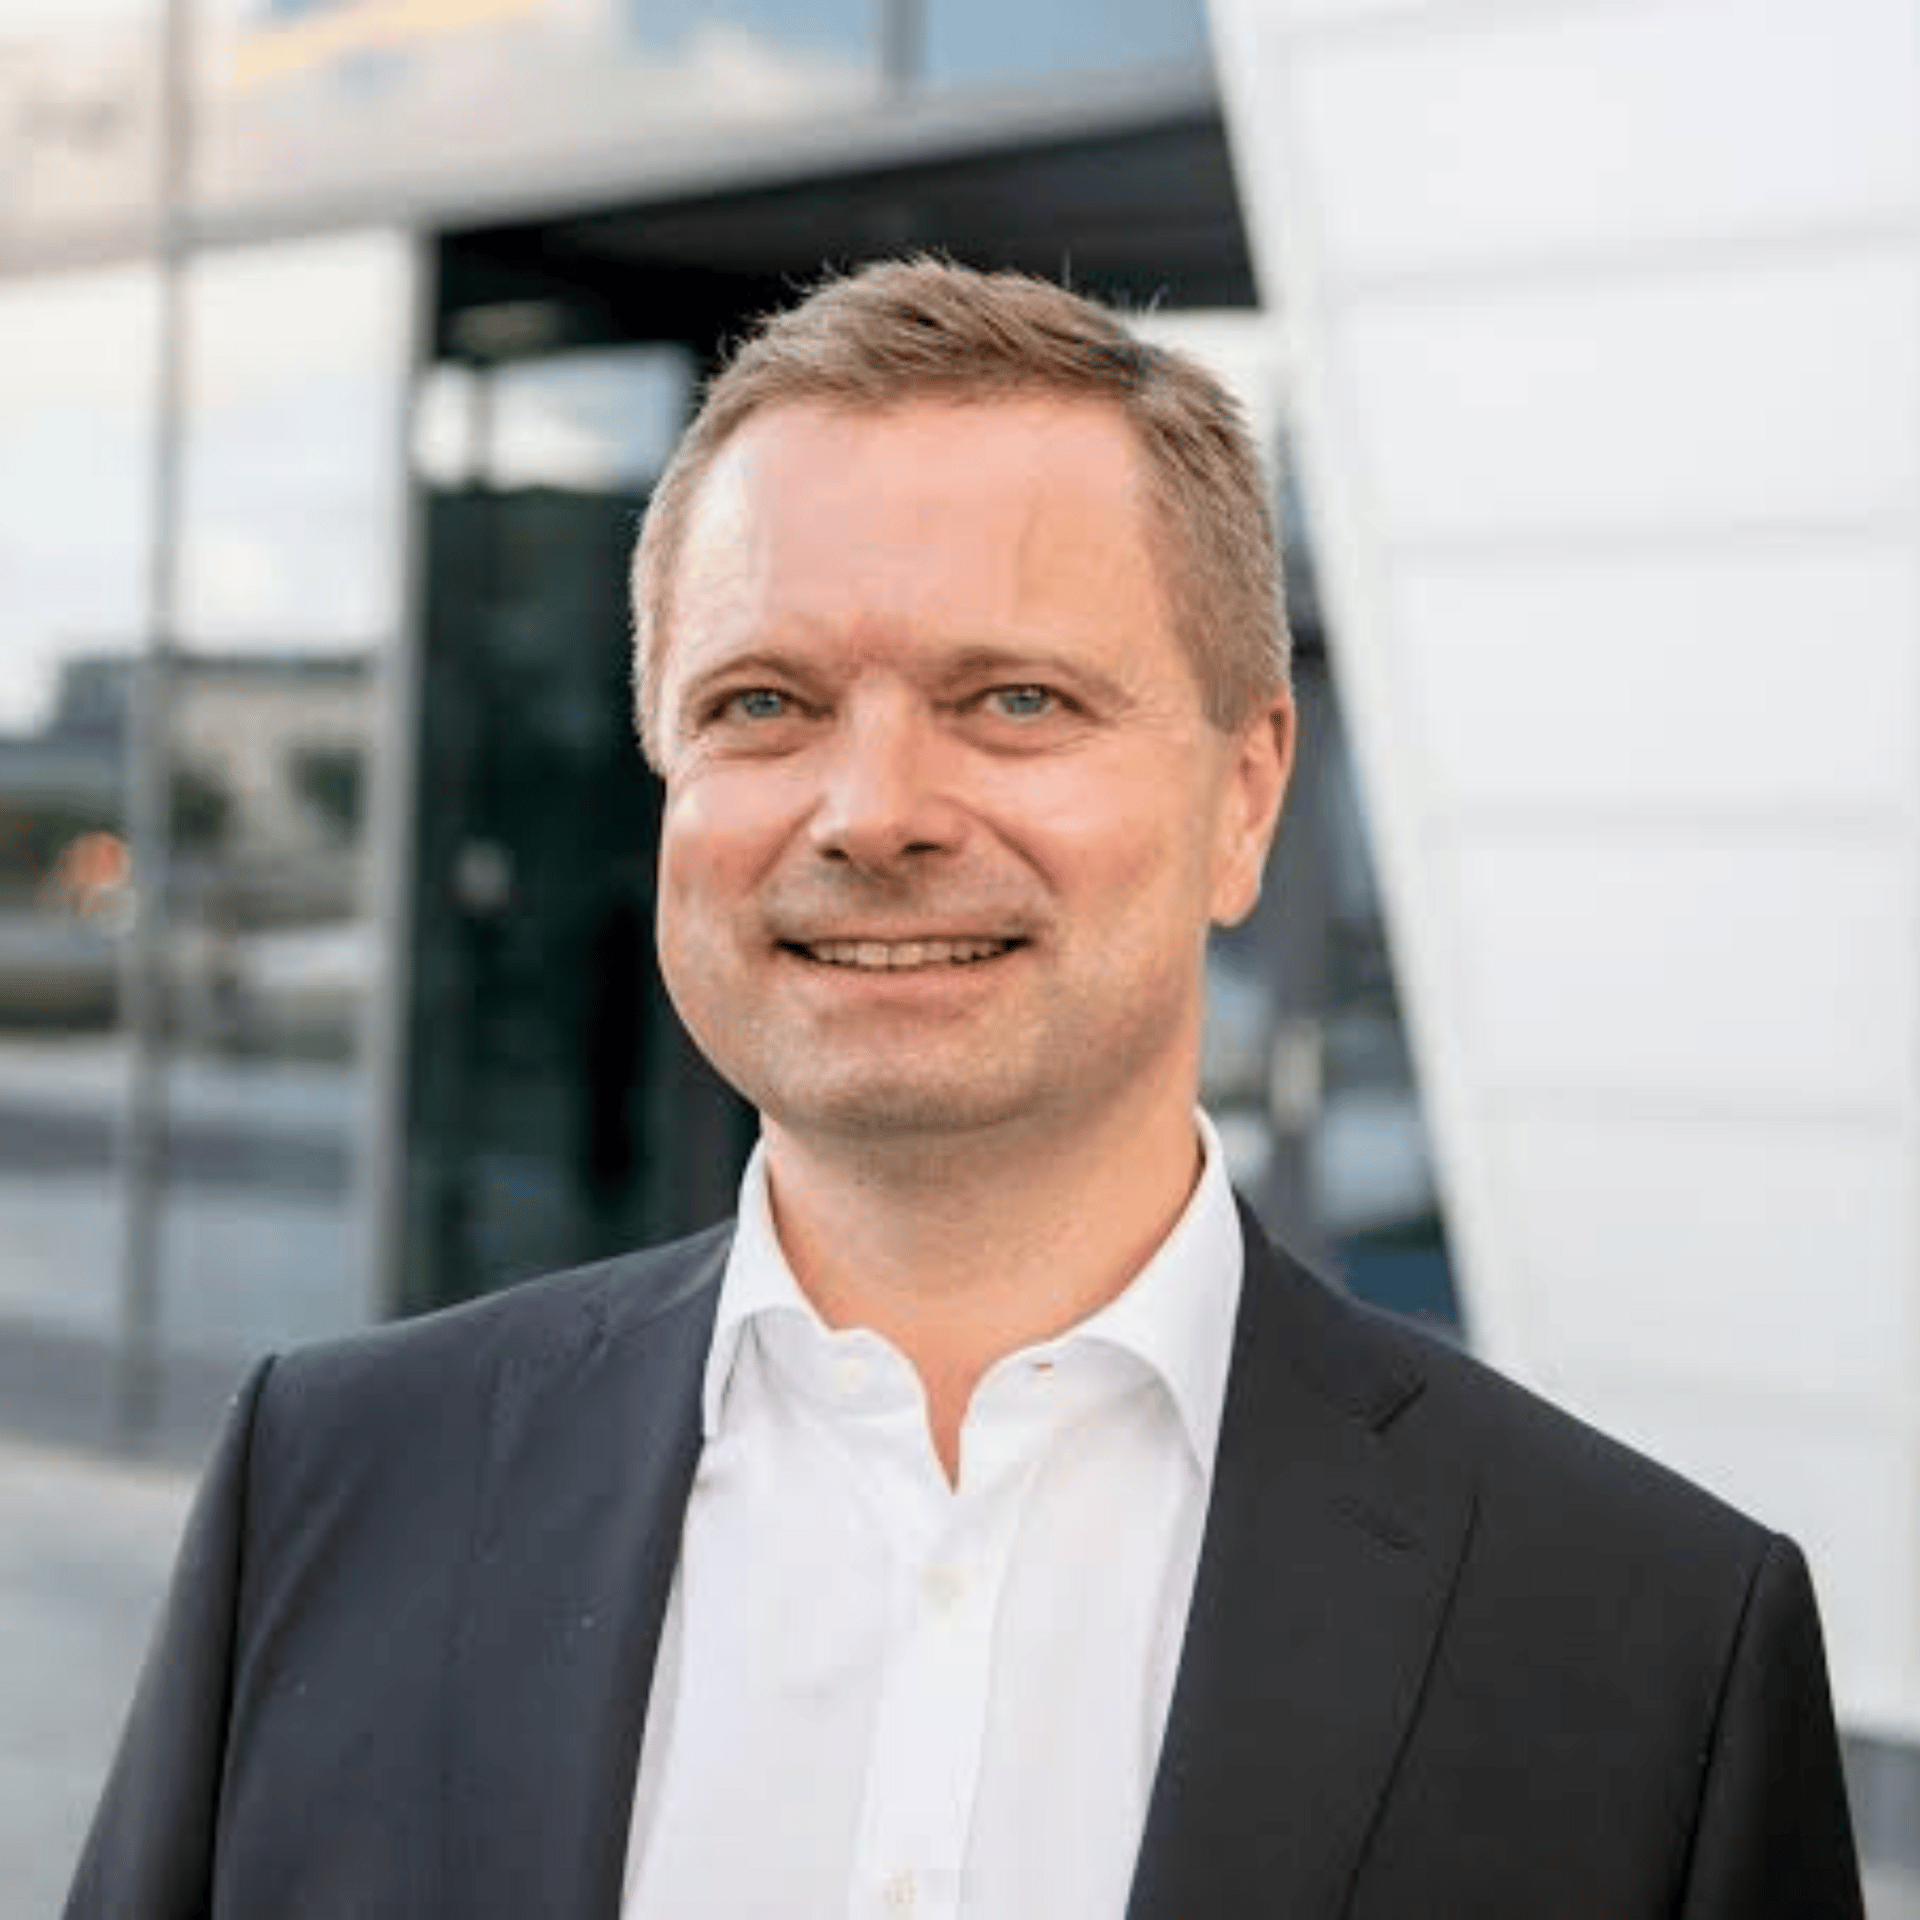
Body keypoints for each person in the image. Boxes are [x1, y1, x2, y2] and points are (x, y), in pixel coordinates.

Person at [68, 259, 1863, 1919]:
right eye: (763, 703)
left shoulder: (1650, 1651)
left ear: (1247, 794)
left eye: (1013, 698)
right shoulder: (328, 1491)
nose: (873, 812)